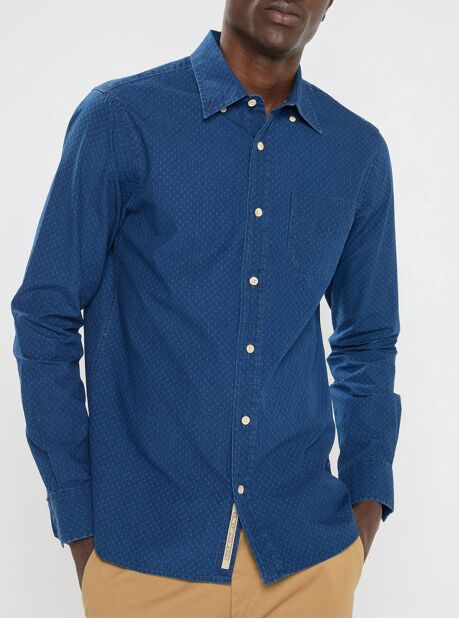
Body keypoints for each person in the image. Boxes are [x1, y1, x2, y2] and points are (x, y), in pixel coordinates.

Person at [10, 0, 402, 616]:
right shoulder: (121, 119)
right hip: (144, 562)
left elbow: (367, 342)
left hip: (307, 563)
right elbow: (45, 319)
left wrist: (366, 508)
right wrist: (80, 523)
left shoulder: (357, 152)